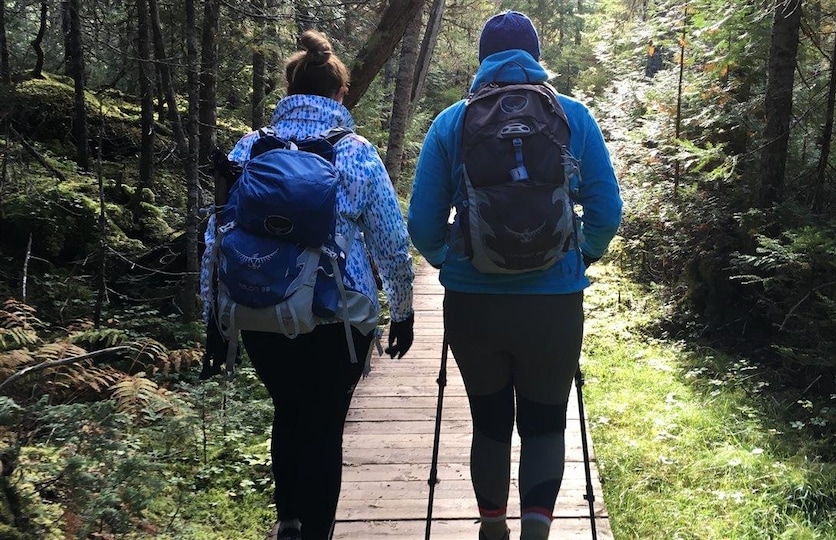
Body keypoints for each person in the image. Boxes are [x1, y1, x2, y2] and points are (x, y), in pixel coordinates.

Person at [407, 10, 622, 540]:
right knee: (546, 421)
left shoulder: (452, 122)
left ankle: (492, 526)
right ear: (535, 57)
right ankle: (536, 532)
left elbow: (422, 222)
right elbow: (606, 208)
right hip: (553, 301)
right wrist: (582, 255)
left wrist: (447, 259)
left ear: (483, 60)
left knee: (490, 421)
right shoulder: (573, 116)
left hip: (474, 302)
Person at [200, 30, 415, 540]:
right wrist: (402, 310)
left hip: (259, 308)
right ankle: (316, 530)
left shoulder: (250, 146)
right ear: (340, 94)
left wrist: (213, 317)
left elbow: (216, 236)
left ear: (289, 88)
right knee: (324, 425)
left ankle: (289, 523)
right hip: (337, 315)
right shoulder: (356, 151)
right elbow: (389, 239)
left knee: (289, 412)